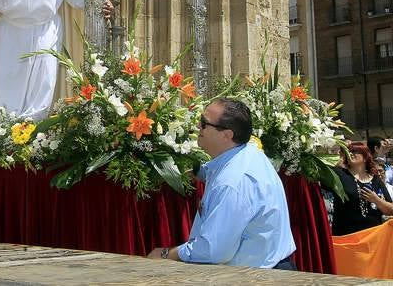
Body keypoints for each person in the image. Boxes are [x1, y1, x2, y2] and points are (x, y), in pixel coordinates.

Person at [148, 98, 297, 269]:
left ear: (227, 135)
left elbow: (213, 251)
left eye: (204, 124)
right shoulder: (247, 151)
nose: (198, 127)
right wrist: (196, 172)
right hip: (269, 268)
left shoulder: (231, 184)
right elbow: (217, 170)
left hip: (256, 278)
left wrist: (167, 254)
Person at [331, 142, 393, 236]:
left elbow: (391, 210)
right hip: (346, 236)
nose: (350, 153)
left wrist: (376, 200)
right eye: (348, 151)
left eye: (354, 151)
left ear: (365, 156)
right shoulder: (338, 174)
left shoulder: (376, 179)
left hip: (373, 236)